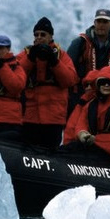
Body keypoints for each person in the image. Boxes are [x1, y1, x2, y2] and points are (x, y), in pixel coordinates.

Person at [16, 17, 79, 149]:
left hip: (53, 118)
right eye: (36, 34)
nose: (39, 37)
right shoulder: (26, 54)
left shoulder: (61, 56)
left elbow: (70, 80)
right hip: (29, 117)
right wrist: (30, 59)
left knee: (50, 153)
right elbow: (15, 78)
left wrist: (54, 62)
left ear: (51, 36)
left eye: (43, 34)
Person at [66, 8, 110, 115]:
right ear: (94, 23)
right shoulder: (79, 44)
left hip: (104, 105)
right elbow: (67, 70)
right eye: (99, 21)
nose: (101, 25)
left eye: (105, 22)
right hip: (78, 101)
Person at [63, 69, 100, 145]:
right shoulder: (81, 102)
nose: (88, 87)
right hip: (76, 145)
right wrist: (67, 145)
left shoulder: (103, 104)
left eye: (92, 84)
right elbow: (71, 127)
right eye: (86, 85)